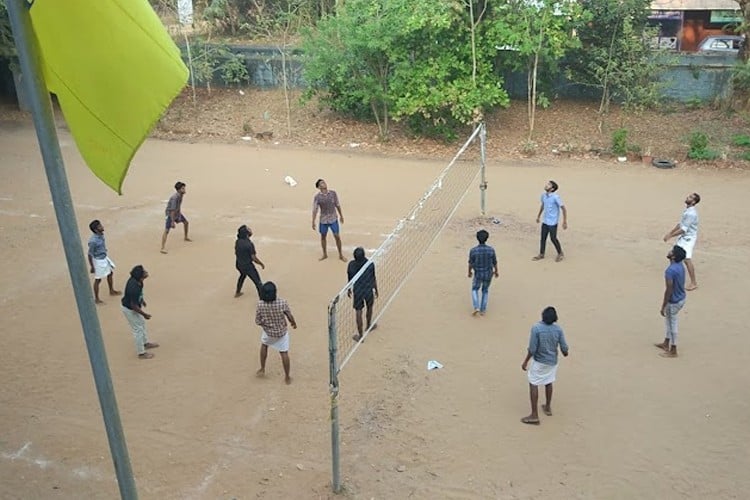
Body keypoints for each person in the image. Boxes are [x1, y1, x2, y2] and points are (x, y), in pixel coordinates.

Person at [521, 306, 569, 425]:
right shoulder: (558, 329)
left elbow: (532, 348)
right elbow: (564, 348)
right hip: (552, 362)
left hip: (539, 361)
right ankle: (547, 407)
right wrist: (565, 352)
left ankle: (534, 415)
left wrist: (526, 361)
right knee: (549, 381)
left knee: (533, 383)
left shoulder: (536, 328)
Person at [255, 282, 297, 384]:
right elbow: (289, 315)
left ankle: (262, 368)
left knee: (264, 346)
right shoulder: (282, 303)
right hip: (281, 332)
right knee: (284, 353)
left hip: (268, 332)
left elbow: (257, 321)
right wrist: (293, 323)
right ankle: (287, 377)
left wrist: (266, 326)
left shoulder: (260, 304)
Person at [655, 245, 687, 358]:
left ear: (673, 256)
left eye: (671, 251)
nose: (669, 251)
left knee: (671, 322)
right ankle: (666, 342)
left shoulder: (670, 271)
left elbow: (669, 289)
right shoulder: (680, 266)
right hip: (681, 298)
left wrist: (663, 305)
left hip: (673, 301)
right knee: (669, 321)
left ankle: (673, 349)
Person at [663, 192, 700, 291]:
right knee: (674, 254)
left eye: (691, 197)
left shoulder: (691, 213)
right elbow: (680, 224)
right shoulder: (687, 211)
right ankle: (675, 274)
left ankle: (694, 283)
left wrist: (670, 235)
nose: (688, 197)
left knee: (687, 259)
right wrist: (670, 232)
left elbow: (683, 229)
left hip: (688, 239)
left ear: (693, 202)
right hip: (683, 237)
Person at [121, 265, 159, 359]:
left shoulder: (139, 282)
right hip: (130, 309)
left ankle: (145, 343)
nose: (146, 272)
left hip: (135, 306)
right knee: (137, 329)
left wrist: (142, 300)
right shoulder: (134, 287)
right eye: (144, 272)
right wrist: (144, 314)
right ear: (140, 276)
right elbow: (133, 305)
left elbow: (139, 295)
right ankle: (141, 353)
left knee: (141, 324)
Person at [347, 247, 378, 341]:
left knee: (358, 311)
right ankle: (368, 326)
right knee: (369, 307)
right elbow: (373, 278)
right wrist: (376, 289)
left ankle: (360, 336)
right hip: (368, 290)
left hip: (358, 291)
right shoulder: (370, 264)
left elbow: (350, 279)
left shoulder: (351, 265)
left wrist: (349, 289)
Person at [532, 180, 567, 262]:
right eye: (547, 184)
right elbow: (543, 205)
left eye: (549, 185)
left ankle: (560, 253)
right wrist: (538, 216)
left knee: (553, 238)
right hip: (545, 221)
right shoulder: (543, 195)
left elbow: (563, 208)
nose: (546, 185)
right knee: (543, 238)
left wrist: (564, 221)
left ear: (552, 189)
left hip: (553, 222)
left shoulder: (556, 197)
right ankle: (541, 254)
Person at [87, 219, 120, 304]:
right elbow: (90, 254)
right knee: (98, 280)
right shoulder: (93, 241)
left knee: (110, 273)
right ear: (95, 229)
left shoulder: (101, 235)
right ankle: (97, 299)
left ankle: (111, 290)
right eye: (100, 226)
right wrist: (92, 266)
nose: (102, 227)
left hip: (104, 257)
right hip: (98, 261)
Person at [311, 178, 345, 261]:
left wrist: (341, 215)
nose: (324, 184)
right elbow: (315, 209)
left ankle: (340, 254)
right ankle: (325, 254)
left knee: (337, 236)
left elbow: (337, 205)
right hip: (323, 220)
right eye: (322, 183)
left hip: (333, 218)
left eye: (324, 182)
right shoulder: (317, 197)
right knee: (323, 236)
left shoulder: (333, 193)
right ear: (319, 187)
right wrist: (313, 221)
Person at [467, 229, 499, 316]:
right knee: (485, 290)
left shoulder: (473, 250)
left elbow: (470, 263)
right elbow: (495, 262)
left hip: (478, 274)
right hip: (488, 274)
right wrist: (496, 272)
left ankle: (476, 306)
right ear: (487, 238)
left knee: (474, 289)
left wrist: (469, 272)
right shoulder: (491, 250)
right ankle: (483, 310)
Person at [160, 181, 192, 254]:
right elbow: (172, 210)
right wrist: (172, 221)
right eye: (183, 188)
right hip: (170, 214)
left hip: (177, 213)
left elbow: (178, 207)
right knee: (167, 230)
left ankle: (185, 237)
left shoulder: (181, 195)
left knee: (186, 223)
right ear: (179, 190)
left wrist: (179, 215)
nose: (184, 190)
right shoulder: (175, 198)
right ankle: (162, 248)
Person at [234, 224, 265, 298]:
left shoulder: (238, 241)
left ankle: (237, 292)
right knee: (258, 283)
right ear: (247, 234)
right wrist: (261, 263)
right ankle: (262, 300)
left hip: (239, 264)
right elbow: (254, 258)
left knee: (242, 276)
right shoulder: (249, 244)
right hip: (248, 266)